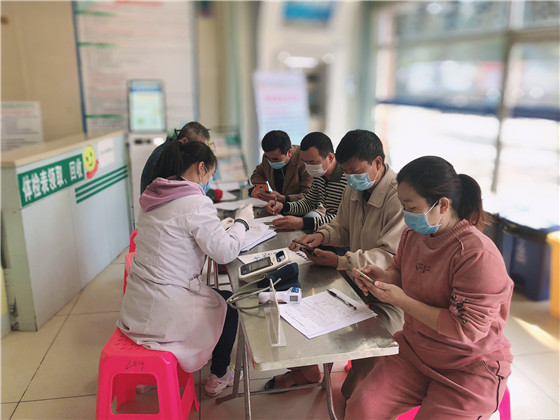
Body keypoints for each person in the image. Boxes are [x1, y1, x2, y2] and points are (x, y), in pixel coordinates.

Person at [345, 155, 513, 419]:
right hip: (416, 352)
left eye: (410, 207)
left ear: (442, 205)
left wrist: (400, 300)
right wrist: (383, 277)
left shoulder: (476, 255)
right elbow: (403, 274)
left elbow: (465, 329)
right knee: (361, 408)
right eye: (403, 206)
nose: (406, 215)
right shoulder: (413, 235)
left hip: (468, 366)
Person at [268, 130, 405, 393]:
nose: (350, 178)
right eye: (347, 172)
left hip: (388, 290)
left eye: (355, 171)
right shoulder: (355, 187)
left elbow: (389, 257)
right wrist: (320, 235)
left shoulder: (399, 197)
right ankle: (306, 369)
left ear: (377, 162)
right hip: (356, 276)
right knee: (301, 300)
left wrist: (341, 261)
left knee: (359, 375)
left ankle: (362, 373)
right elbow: (341, 225)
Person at [117, 140, 254, 397]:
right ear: (201, 167)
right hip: (167, 310)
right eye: (210, 175)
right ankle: (219, 374)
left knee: (210, 297)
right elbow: (224, 251)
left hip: (136, 308)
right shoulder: (194, 202)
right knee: (229, 305)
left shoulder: (152, 196)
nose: (208, 182)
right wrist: (242, 223)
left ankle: (154, 371)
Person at [266, 131, 347, 232]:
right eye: (305, 162)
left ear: (330, 158)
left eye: (312, 162)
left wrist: (303, 223)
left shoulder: (347, 178)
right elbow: (310, 202)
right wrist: (283, 206)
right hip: (330, 231)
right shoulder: (319, 174)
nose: (309, 166)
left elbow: (344, 219)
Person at [140, 121, 211, 194]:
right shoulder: (164, 156)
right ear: (184, 141)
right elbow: (174, 192)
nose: (201, 154)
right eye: (198, 148)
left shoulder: (178, 154)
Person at [250, 130, 313, 204]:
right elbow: (258, 174)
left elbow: (309, 196)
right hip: (279, 205)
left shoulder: (305, 160)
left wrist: (284, 198)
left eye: (275, 159)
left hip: (303, 207)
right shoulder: (268, 156)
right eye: (268, 158)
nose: (271, 162)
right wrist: (261, 190)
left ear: (289, 152)